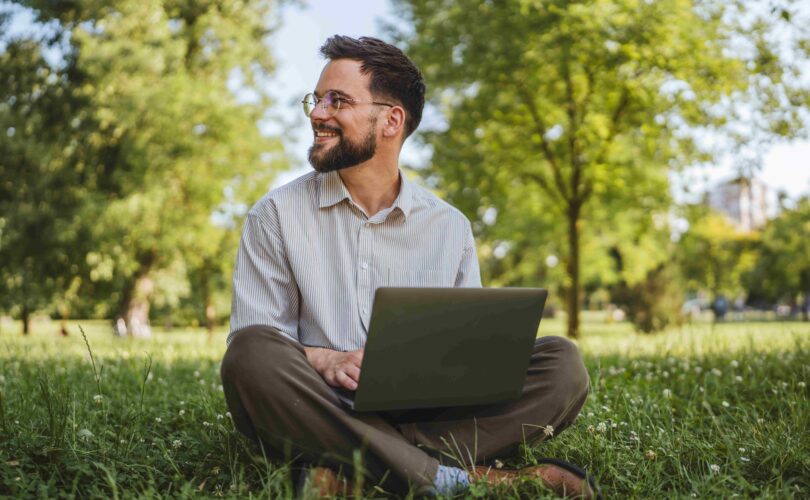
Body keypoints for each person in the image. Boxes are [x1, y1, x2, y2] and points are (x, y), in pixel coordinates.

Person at [220, 35, 595, 498]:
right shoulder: (274, 215)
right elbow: (260, 340)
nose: (317, 114)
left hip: (423, 412)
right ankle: (458, 478)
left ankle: (356, 469)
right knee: (250, 353)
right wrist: (326, 358)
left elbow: (472, 358)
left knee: (564, 365)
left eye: (337, 100)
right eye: (316, 100)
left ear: (391, 120)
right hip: (318, 400)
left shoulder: (450, 227)